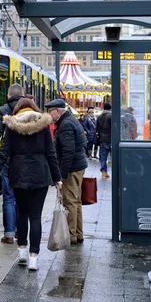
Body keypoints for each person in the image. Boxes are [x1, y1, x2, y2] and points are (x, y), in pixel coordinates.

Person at [0, 98, 61, 270]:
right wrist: (57, 178)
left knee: (22, 213)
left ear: (17, 111)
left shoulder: (12, 127)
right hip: (40, 176)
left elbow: (4, 152)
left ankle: (21, 250)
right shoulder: (43, 127)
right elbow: (51, 154)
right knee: (35, 217)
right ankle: (34, 258)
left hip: (18, 175)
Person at [46, 99, 88, 244]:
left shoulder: (65, 125)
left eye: (50, 111)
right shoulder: (71, 121)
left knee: (69, 202)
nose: (49, 115)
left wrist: (62, 174)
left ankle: (71, 235)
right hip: (78, 165)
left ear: (58, 111)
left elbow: (68, 151)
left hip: (72, 168)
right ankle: (77, 233)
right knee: (76, 201)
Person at [0, 83, 25, 244]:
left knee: (9, 197)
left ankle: (9, 234)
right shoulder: (29, 110)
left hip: (8, 157)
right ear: (22, 96)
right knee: (21, 197)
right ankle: (19, 231)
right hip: (24, 158)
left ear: (8, 96)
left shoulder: (3, 110)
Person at [96, 103, 112, 179]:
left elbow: (97, 129)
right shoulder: (111, 116)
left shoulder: (99, 117)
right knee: (114, 157)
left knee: (103, 157)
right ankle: (116, 172)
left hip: (103, 139)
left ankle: (104, 172)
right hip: (111, 139)